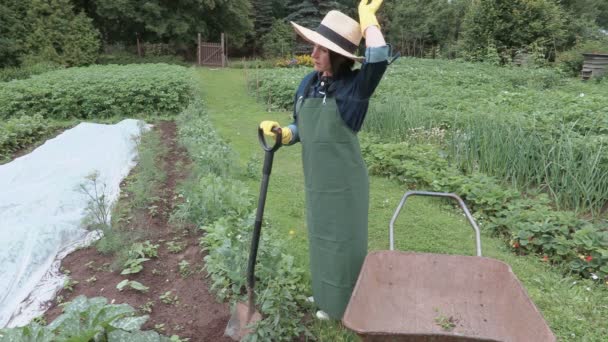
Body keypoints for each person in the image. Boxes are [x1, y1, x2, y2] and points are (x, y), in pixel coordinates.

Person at [259, 0, 389, 320]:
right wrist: (285, 134)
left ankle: (346, 305)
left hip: (345, 186)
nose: (313, 54)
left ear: (340, 56)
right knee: (320, 239)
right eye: (314, 47)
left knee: (344, 243)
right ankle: (324, 294)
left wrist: (368, 21)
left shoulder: (354, 89)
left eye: (321, 49)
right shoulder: (308, 83)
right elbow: (301, 124)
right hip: (318, 181)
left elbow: (378, 57)